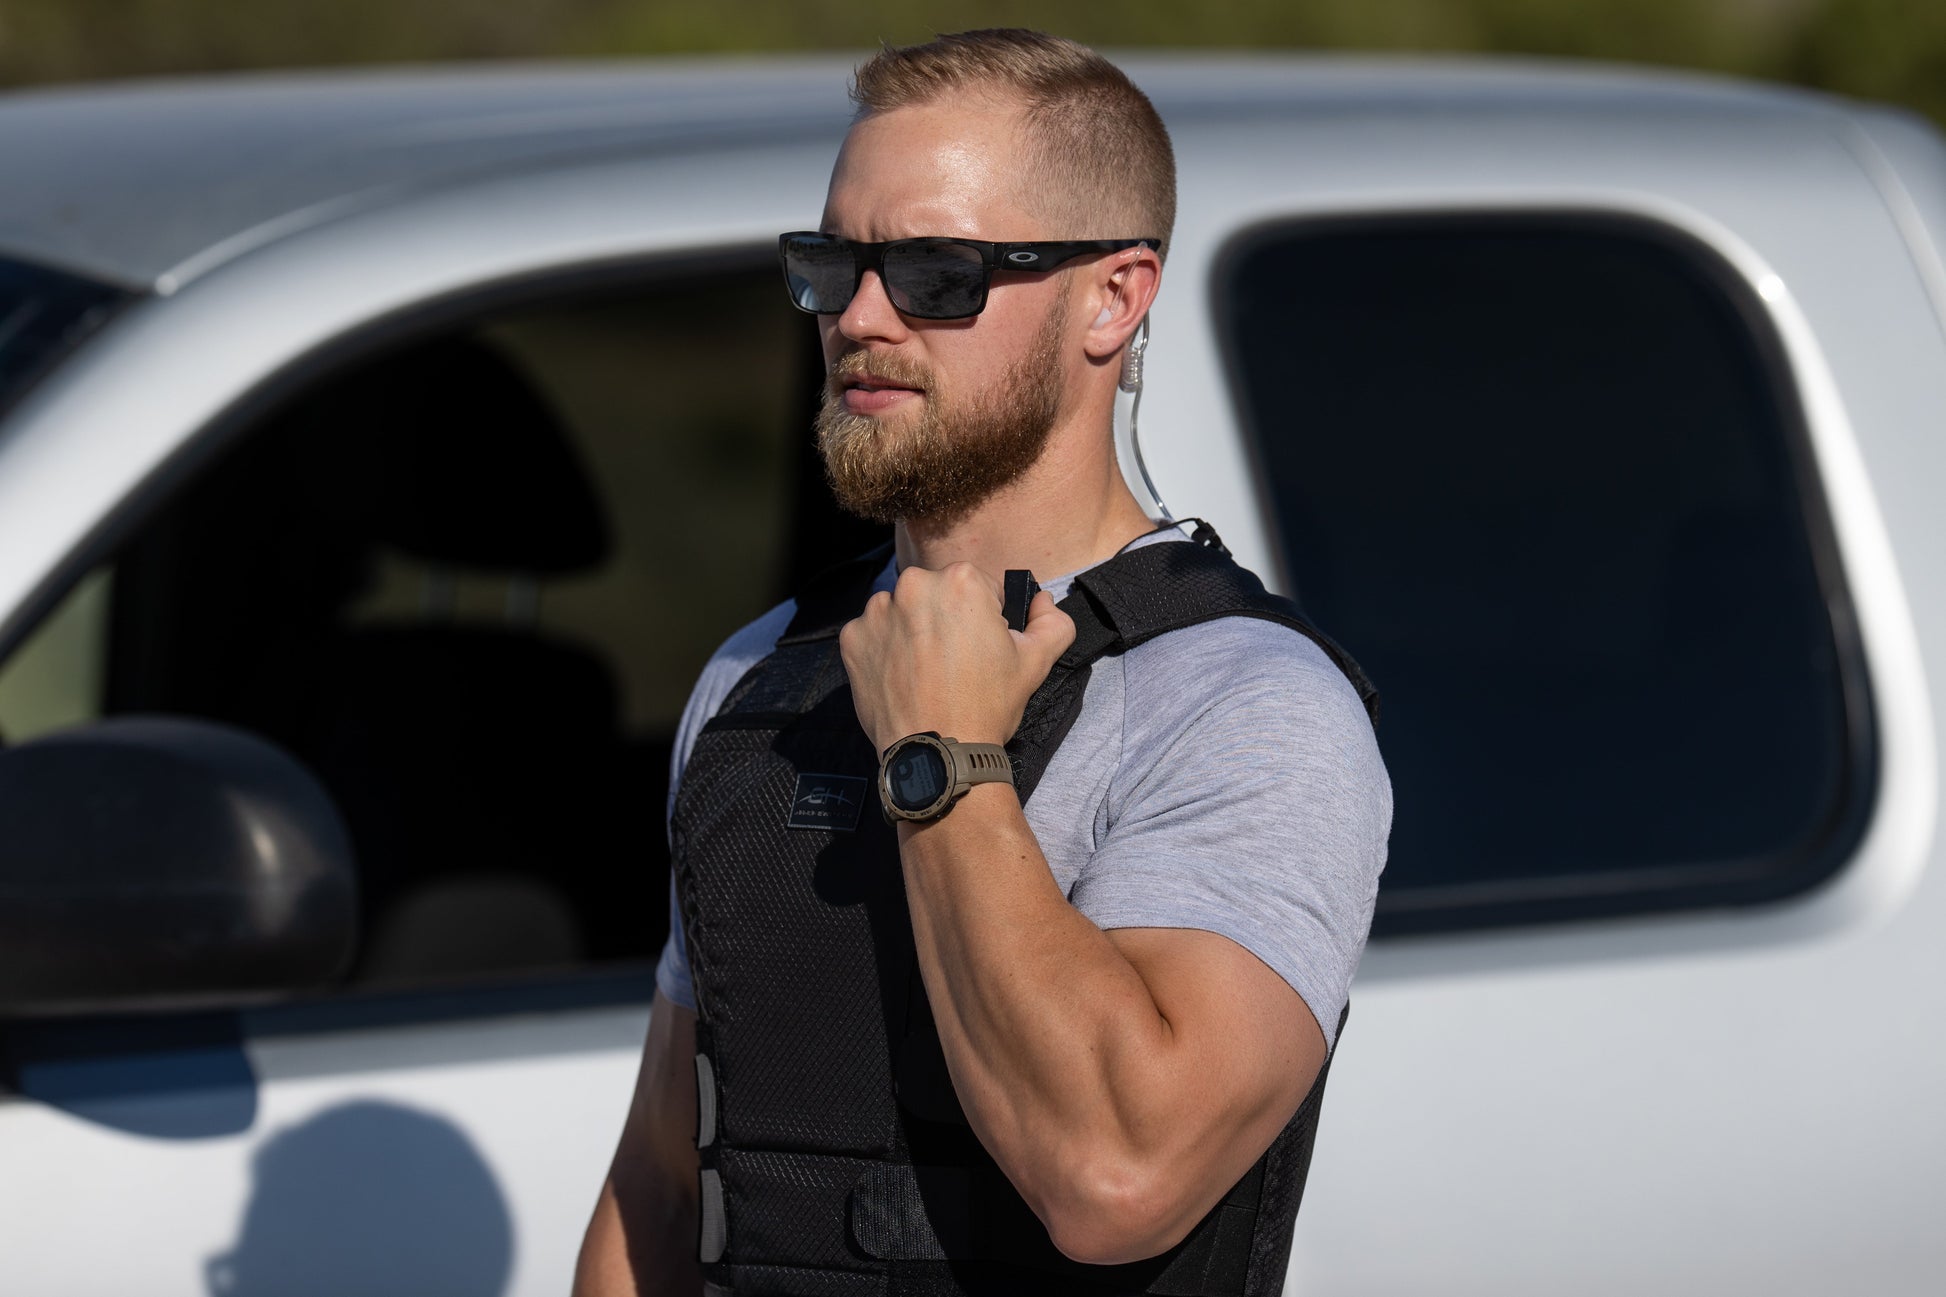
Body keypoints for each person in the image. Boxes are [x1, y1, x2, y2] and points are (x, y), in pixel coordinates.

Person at [574, 29, 1391, 1297]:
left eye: (936, 273)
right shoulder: (758, 680)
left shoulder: (1247, 706)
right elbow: (662, 1189)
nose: (858, 317)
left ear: (1112, 298)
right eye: (832, 264)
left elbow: (1117, 1176)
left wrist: (942, 756)